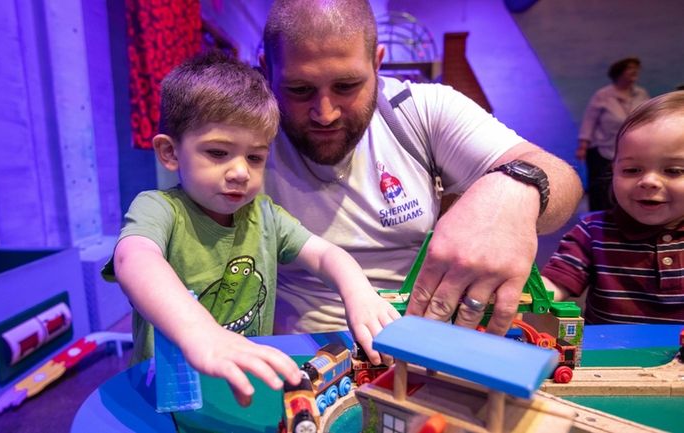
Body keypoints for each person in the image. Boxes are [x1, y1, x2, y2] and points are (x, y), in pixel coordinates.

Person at [260, 0, 583, 337]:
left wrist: (513, 191)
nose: (324, 113)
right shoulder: (244, 131)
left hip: (418, 334)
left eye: (346, 86)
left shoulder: (422, 110)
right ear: (267, 70)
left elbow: (564, 180)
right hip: (294, 346)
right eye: (299, 90)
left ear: (377, 63)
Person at [103, 51, 399, 407]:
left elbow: (324, 254)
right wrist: (200, 332)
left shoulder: (265, 216)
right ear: (170, 153)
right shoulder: (160, 208)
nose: (241, 171)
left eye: (255, 157)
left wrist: (359, 293)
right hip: (170, 394)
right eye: (217, 153)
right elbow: (134, 260)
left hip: (243, 388)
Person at [541, 91, 684, 324]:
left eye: (674, 171)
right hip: (607, 357)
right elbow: (555, 283)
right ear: (613, 171)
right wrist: (518, 295)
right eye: (632, 170)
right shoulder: (593, 231)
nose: (648, 181)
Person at [577, 57, 650, 211]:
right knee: (600, 187)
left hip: (632, 148)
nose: (635, 71)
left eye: (636, 69)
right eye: (630, 68)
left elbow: (649, 116)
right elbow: (590, 120)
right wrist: (583, 145)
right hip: (603, 148)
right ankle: (597, 219)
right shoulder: (603, 95)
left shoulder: (641, 93)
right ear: (619, 72)